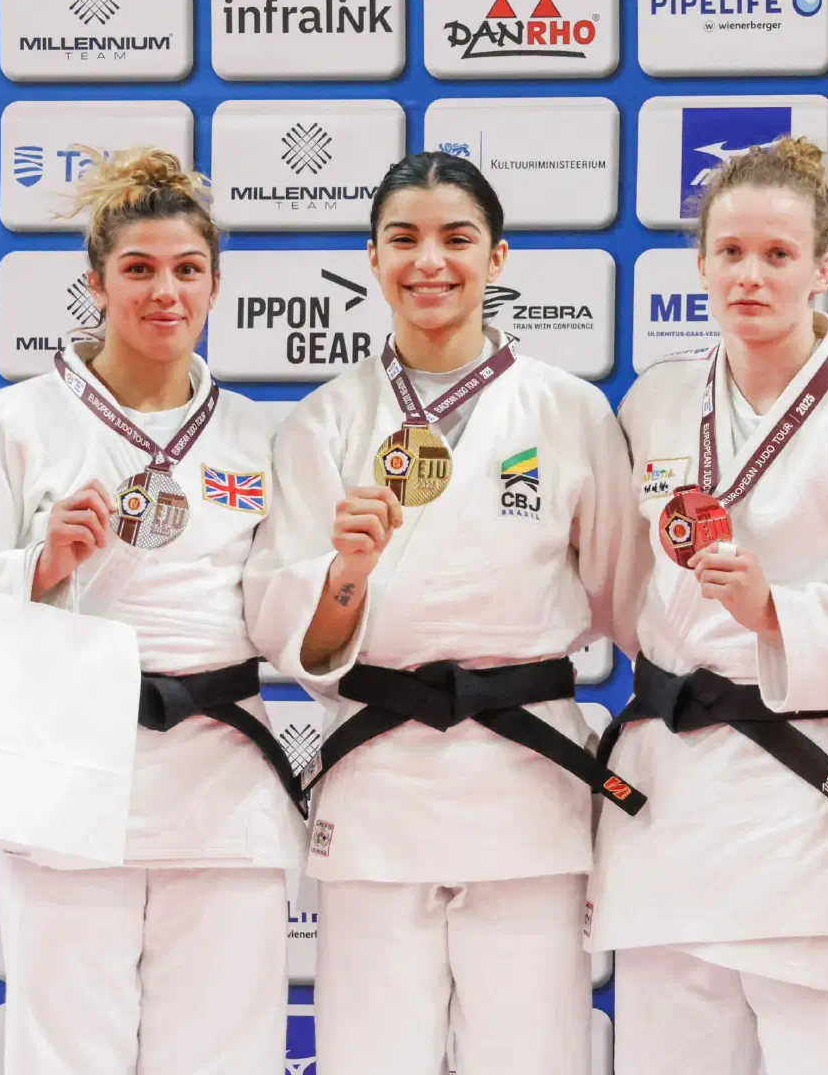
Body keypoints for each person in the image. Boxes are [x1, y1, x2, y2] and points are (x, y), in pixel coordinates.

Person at [0, 149, 303, 1074]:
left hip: (224, 783)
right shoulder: (10, 424)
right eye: (139, 269)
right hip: (62, 776)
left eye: (187, 269)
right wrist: (38, 565)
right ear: (96, 282)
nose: (165, 292)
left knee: (228, 1056)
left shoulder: (263, 435)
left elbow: (294, 616)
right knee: (65, 1054)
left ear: (216, 285)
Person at [584, 136, 828, 1075]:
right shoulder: (659, 398)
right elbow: (621, 585)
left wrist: (778, 618)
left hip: (806, 788)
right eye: (729, 252)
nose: (749, 276)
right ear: (700, 264)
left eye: (777, 254)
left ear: (823, 270)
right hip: (669, 786)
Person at [243, 151, 643, 1075]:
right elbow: (297, 637)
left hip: (526, 781)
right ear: (373, 259)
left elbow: (627, 597)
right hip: (379, 778)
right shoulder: (324, 421)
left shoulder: (569, 412)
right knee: (370, 1056)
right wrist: (347, 573)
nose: (430, 261)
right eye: (404, 239)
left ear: (497, 256)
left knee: (535, 1055)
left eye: (457, 238)